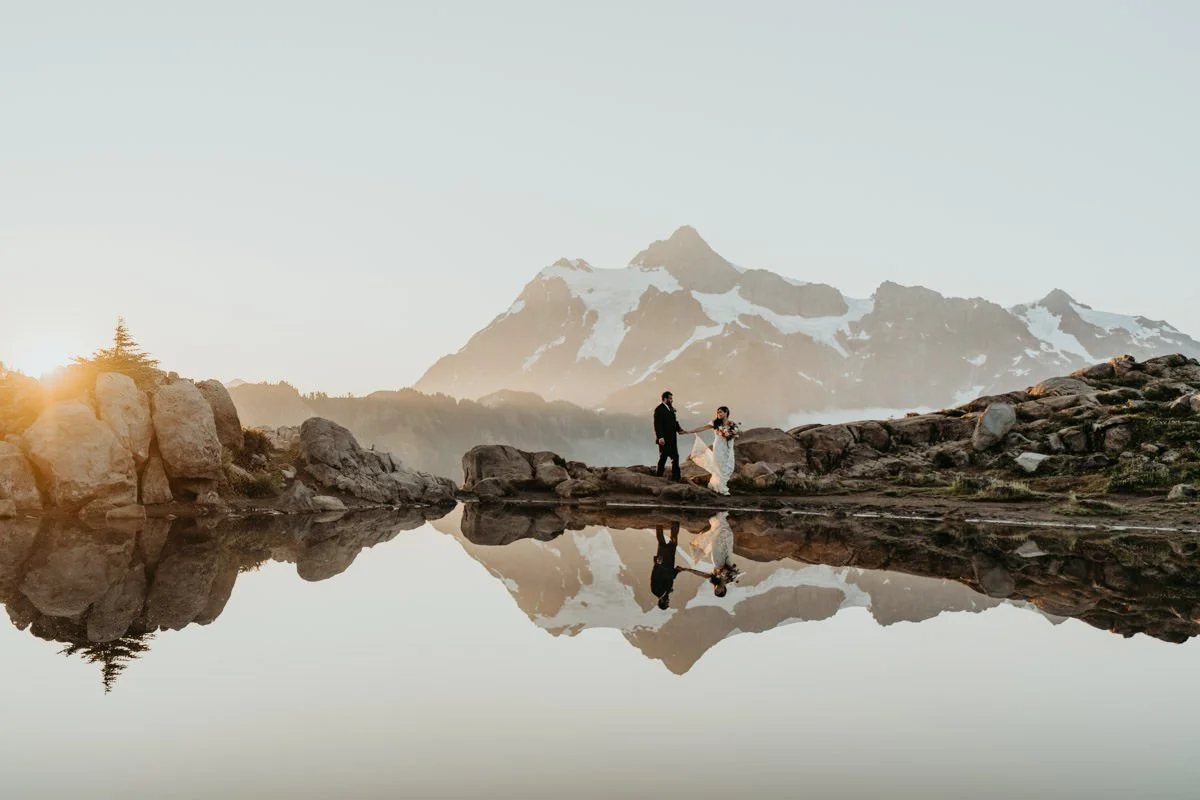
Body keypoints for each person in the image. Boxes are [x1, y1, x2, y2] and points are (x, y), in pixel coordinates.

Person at [680, 512, 740, 596]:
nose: (716, 589)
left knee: (717, 540)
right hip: (727, 560)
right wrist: (731, 570)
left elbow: (701, 574)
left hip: (717, 560)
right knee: (728, 541)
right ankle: (722, 519)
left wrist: (686, 569)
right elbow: (733, 567)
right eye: (718, 591)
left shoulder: (713, 579)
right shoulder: (729, 580)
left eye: (715, 591)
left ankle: (719, 519)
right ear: (723, 590)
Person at [686, 406, 739, 495]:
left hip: (728, 448)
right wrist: (690, 431)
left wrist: (733, 435)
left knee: (729, 466)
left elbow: (734, 434)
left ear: (726, 413)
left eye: (721, 412)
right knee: (719, 466)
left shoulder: (732, 424)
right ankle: (722, 489)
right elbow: (703, 428)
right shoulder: (715, 423)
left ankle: (715, 484)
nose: (719, 414)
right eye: (718, 412)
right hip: (719, 447)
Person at [650, 521, 683, 610]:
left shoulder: (656, 591)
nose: (668, 601)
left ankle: (659, 523)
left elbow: (655, 576)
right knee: (673, 544)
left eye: (666, 603)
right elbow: (670, 577)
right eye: (668, 603)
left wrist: (657, 564)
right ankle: (674, 524)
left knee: (662, 544)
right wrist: (677, 571)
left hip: (662, 564)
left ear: (661, 602)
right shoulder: (667, 591)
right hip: (669, 563)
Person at [654, 390, 685, 481]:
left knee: (675, 457)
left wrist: (679, 429)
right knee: (663, 457)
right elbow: (657, 424)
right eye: (670, 398)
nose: (672, 400)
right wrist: (660, 437)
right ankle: (658, 476)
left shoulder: (671, 409)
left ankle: (676, 478)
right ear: (665, 399)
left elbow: (674, 422)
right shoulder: (659, 409)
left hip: (673, 438)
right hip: (664, 439)